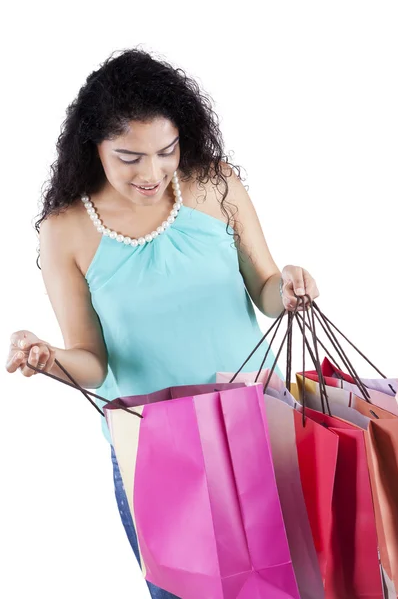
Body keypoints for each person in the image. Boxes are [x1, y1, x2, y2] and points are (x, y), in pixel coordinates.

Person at [5, 47, 320, 598]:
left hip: (258, 422)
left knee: (300, 585)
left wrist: (289, 284)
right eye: (129, 157)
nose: (151, 173)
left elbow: (266, 290)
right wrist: (49, 359)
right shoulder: (67, 230)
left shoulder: (214, 185)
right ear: (93, 148)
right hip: (158, 450)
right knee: (184, 593)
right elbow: (93, 361)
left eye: (166, 151)